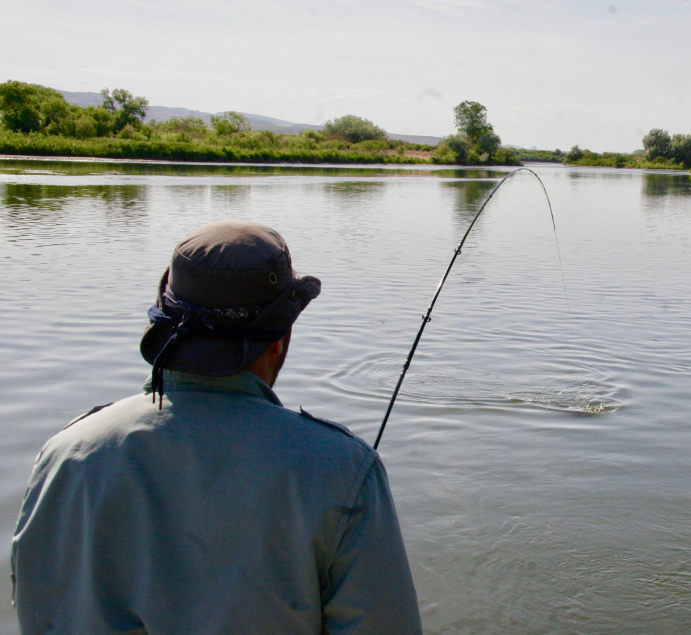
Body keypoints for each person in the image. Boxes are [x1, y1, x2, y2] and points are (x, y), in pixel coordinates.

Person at [11, 219, 422, 635]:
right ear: (280, 336)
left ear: (164, 324)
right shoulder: (344, 470)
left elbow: (37, 608)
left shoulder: (65, 454)